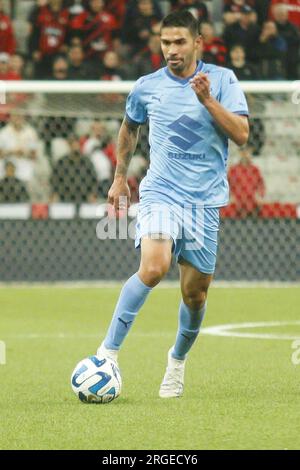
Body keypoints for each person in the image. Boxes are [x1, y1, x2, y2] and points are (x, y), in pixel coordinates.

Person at [97, 10, 249, 398]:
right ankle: (107, 354)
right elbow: (130, 126)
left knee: (195, 295)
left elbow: (242, 134)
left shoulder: (223, 80)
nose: (172, 50)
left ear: (198, 42)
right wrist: (119, 177)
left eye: (180, 42)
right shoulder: (147, 86)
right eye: (166, 43)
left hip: (204, 202)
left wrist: (208, 101)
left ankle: (176, 363)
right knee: (153, 267)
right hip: (161, 191)